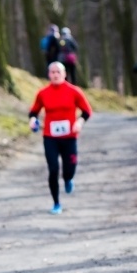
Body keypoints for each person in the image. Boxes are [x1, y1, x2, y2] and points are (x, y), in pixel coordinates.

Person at [28, 62, 93, 215]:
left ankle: (68, 179)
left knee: (69, 168)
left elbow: (87, 111)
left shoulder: (74, 91)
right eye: (52, 72)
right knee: (53, 169)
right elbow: (34, 111)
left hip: (69, 136)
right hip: (50, 137)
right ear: (49, 74)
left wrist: (79, 122)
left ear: (64, 74)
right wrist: (32, 120)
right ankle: (56, 203)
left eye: (58, 72)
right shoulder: (43, 93)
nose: (55, 75)